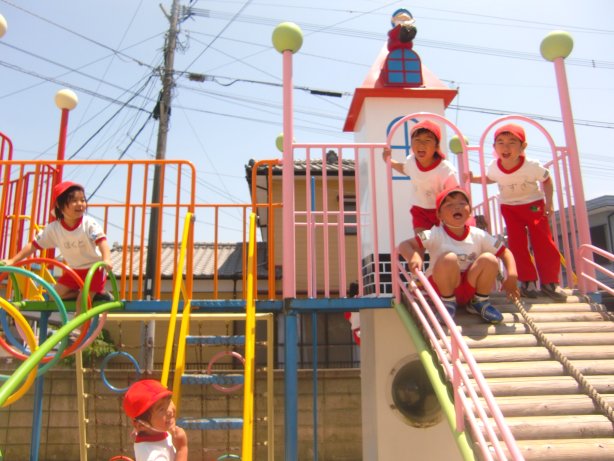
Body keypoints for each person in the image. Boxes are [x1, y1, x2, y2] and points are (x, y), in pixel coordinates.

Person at [467, 123, 567, 301]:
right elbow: (490, 178)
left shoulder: (531, 165)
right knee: (516, 243)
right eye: (500, 143)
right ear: (494, 147)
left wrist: (549, 202)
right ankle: (527, 281)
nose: (505, 147)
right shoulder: (494, 166)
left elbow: (547, 179)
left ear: (523, 146)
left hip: (533, 205)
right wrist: (473, 178)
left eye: (512, 142)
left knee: (543, 241)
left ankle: (550, 282)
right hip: (510, 207)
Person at [398, 187, 519, 324]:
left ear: (470, 211)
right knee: (449, 258)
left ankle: (479, 301)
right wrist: (413, 256)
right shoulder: (435, 233)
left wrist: (512, 276)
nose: (457, 207)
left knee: (489, 259)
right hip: (442, 287)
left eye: (462, 203)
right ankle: (447, 303)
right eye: (449, 205)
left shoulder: (479, 235)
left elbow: (505, 252)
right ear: (439, 215)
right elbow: (404, 245)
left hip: (468, 288)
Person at [1, 181, 113, 302]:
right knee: (54, 296)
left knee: (82, 302)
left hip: (94, 269)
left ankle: (85, 302)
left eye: (82, 200)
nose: (80, 204)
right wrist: (13, 260)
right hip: (75, 270)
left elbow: (102, 242)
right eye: (74, 201)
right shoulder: (54, 228)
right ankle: (97, 295)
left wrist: (106, 259)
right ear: (59, 205)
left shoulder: (88, 223)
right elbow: (33, 245)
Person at [382, 119, 459, 235]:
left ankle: (441, 244)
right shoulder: (411, 161)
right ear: (411, 144)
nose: (421, 144)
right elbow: (404, 168)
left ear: (436, 146)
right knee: (422, 239)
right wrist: (389, 161)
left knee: (443, 240)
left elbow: (455, 193)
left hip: (441, 211)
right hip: (420, 211)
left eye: (427, 140)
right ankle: (422, 245)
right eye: (417, 140)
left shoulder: (445, 169)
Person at [123, 379, 188, 461]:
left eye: (169, 401)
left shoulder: (156, 430)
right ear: (142, 425)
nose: (169, 411)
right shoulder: (152, 455)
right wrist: (182, 449)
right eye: (161, 409)